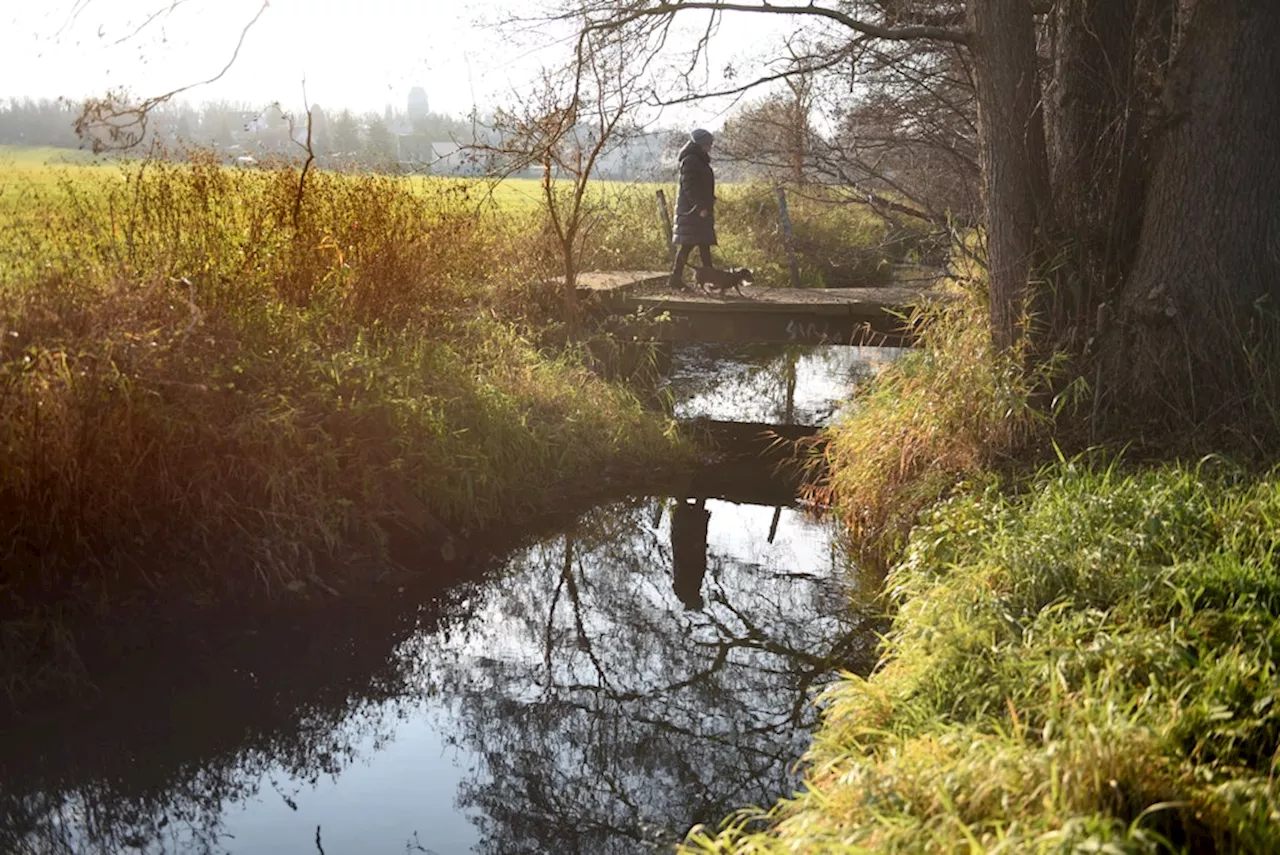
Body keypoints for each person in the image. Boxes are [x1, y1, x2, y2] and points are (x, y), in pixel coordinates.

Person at [668, 128, 717, 290]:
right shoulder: (691, 160)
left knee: (704, 244)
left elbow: (700, 185)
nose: (711, 146)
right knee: (688, 245)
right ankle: (676, 278)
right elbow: (689, 187)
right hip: (692, 212)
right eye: (709, 143)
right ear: (701, 144)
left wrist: (710, 200)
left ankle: (710, 278)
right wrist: (700, 206)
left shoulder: (699, 160)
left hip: (698, 210)